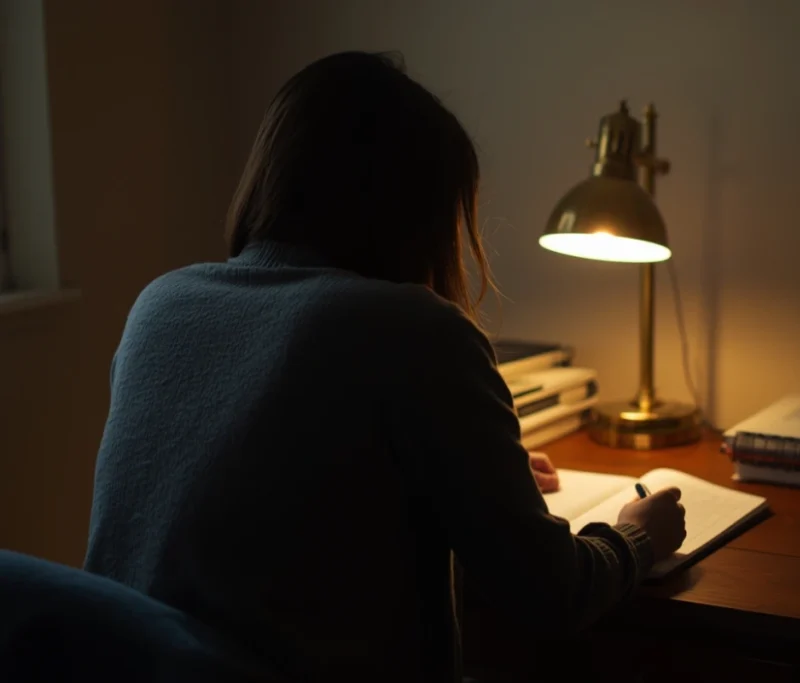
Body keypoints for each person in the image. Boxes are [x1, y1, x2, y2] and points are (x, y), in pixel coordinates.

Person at [84, 51, 686, 683]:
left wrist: (473, 480)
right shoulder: (413, 329)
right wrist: (635, 538)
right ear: (418, 211)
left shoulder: (160, 303)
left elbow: (271, 501)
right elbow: (549, 594)